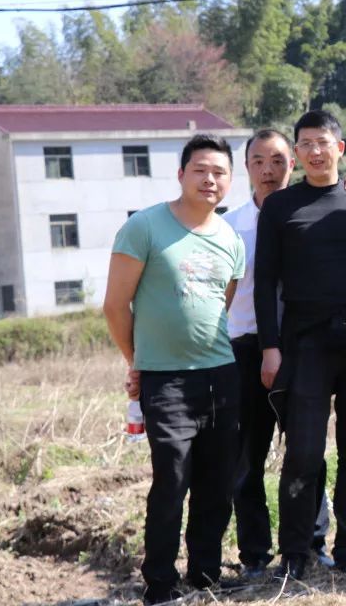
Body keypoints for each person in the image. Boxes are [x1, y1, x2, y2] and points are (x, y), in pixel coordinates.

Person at [103, 134, 245, 604]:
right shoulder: (144, 227)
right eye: (201, 169)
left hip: (222, 376)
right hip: (165, 379)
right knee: (173, 478)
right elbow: (115, 305)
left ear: (229, 180)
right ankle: (160, 583)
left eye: (220, 172)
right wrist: (136, 361)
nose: (210, 179)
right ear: (181, 174)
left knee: (216, 483)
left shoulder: (230, 238)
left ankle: (205, 577)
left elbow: (220, 306)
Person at [223, 129, 346, 578]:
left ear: (293, 163)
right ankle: (257, 556)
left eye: (277, 160)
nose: (268, 169)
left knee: (318, 450)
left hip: (307, 345)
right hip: (250, 347)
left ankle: (320, 543)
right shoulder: (228, 225)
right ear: (245, 167)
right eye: (258, 161)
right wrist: (270, 348)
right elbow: (259, 285)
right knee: (252, 458)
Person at [255, 110, 346, 580]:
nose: (314, 150)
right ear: (296, 153)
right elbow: (266, 281)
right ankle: (295, 552)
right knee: (303, 453)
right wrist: (271, 346)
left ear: (340, 148)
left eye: (322, 142)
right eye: (304, 143)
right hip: (304, 345)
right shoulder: (281, 207)